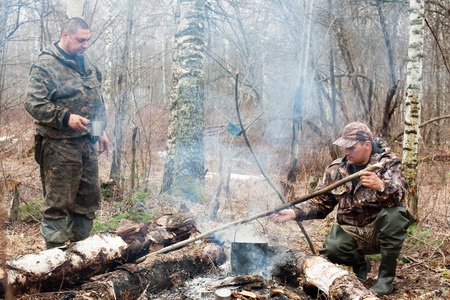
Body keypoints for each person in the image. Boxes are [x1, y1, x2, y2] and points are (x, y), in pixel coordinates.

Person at [270, 122, 414, 296]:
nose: (346, 152)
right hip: (352, 232)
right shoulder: (337, 169)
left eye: (351, 148)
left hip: (380, 232)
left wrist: (382, 186)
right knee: (332, 249)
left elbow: (400, 196)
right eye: (344, 148)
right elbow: (320, 202)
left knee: (395, 214)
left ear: (367, 145)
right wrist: (294, 212)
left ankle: (385, 279)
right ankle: (361, 263)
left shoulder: (388, 164)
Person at [24, 17, 108, 249]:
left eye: (88, 40)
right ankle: (56, 261)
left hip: (85, 144)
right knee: (58, 204)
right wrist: (66, 118)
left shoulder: (87, 62)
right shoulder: (46, 64)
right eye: (81, 40)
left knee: (88, 200)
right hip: (58, 145)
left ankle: (82, 255)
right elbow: (33, 103)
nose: (85, 45)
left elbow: (96, 100)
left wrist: (100, 130)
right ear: (65, 35)